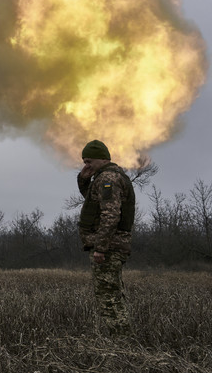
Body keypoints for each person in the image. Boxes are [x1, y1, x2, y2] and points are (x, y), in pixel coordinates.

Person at [77, 139, 136, 335]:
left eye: (89, 161)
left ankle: (122, 342)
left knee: (108, 296)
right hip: (113, 246)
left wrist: (101, 248)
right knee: (112, 293)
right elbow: (93, 201)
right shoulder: (108, 177)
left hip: (109, 248)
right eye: (84, 162)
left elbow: (110, 216)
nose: (86, 165)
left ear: (102, 159)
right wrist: (84, 179)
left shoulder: (107, 179)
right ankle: (123, 338)